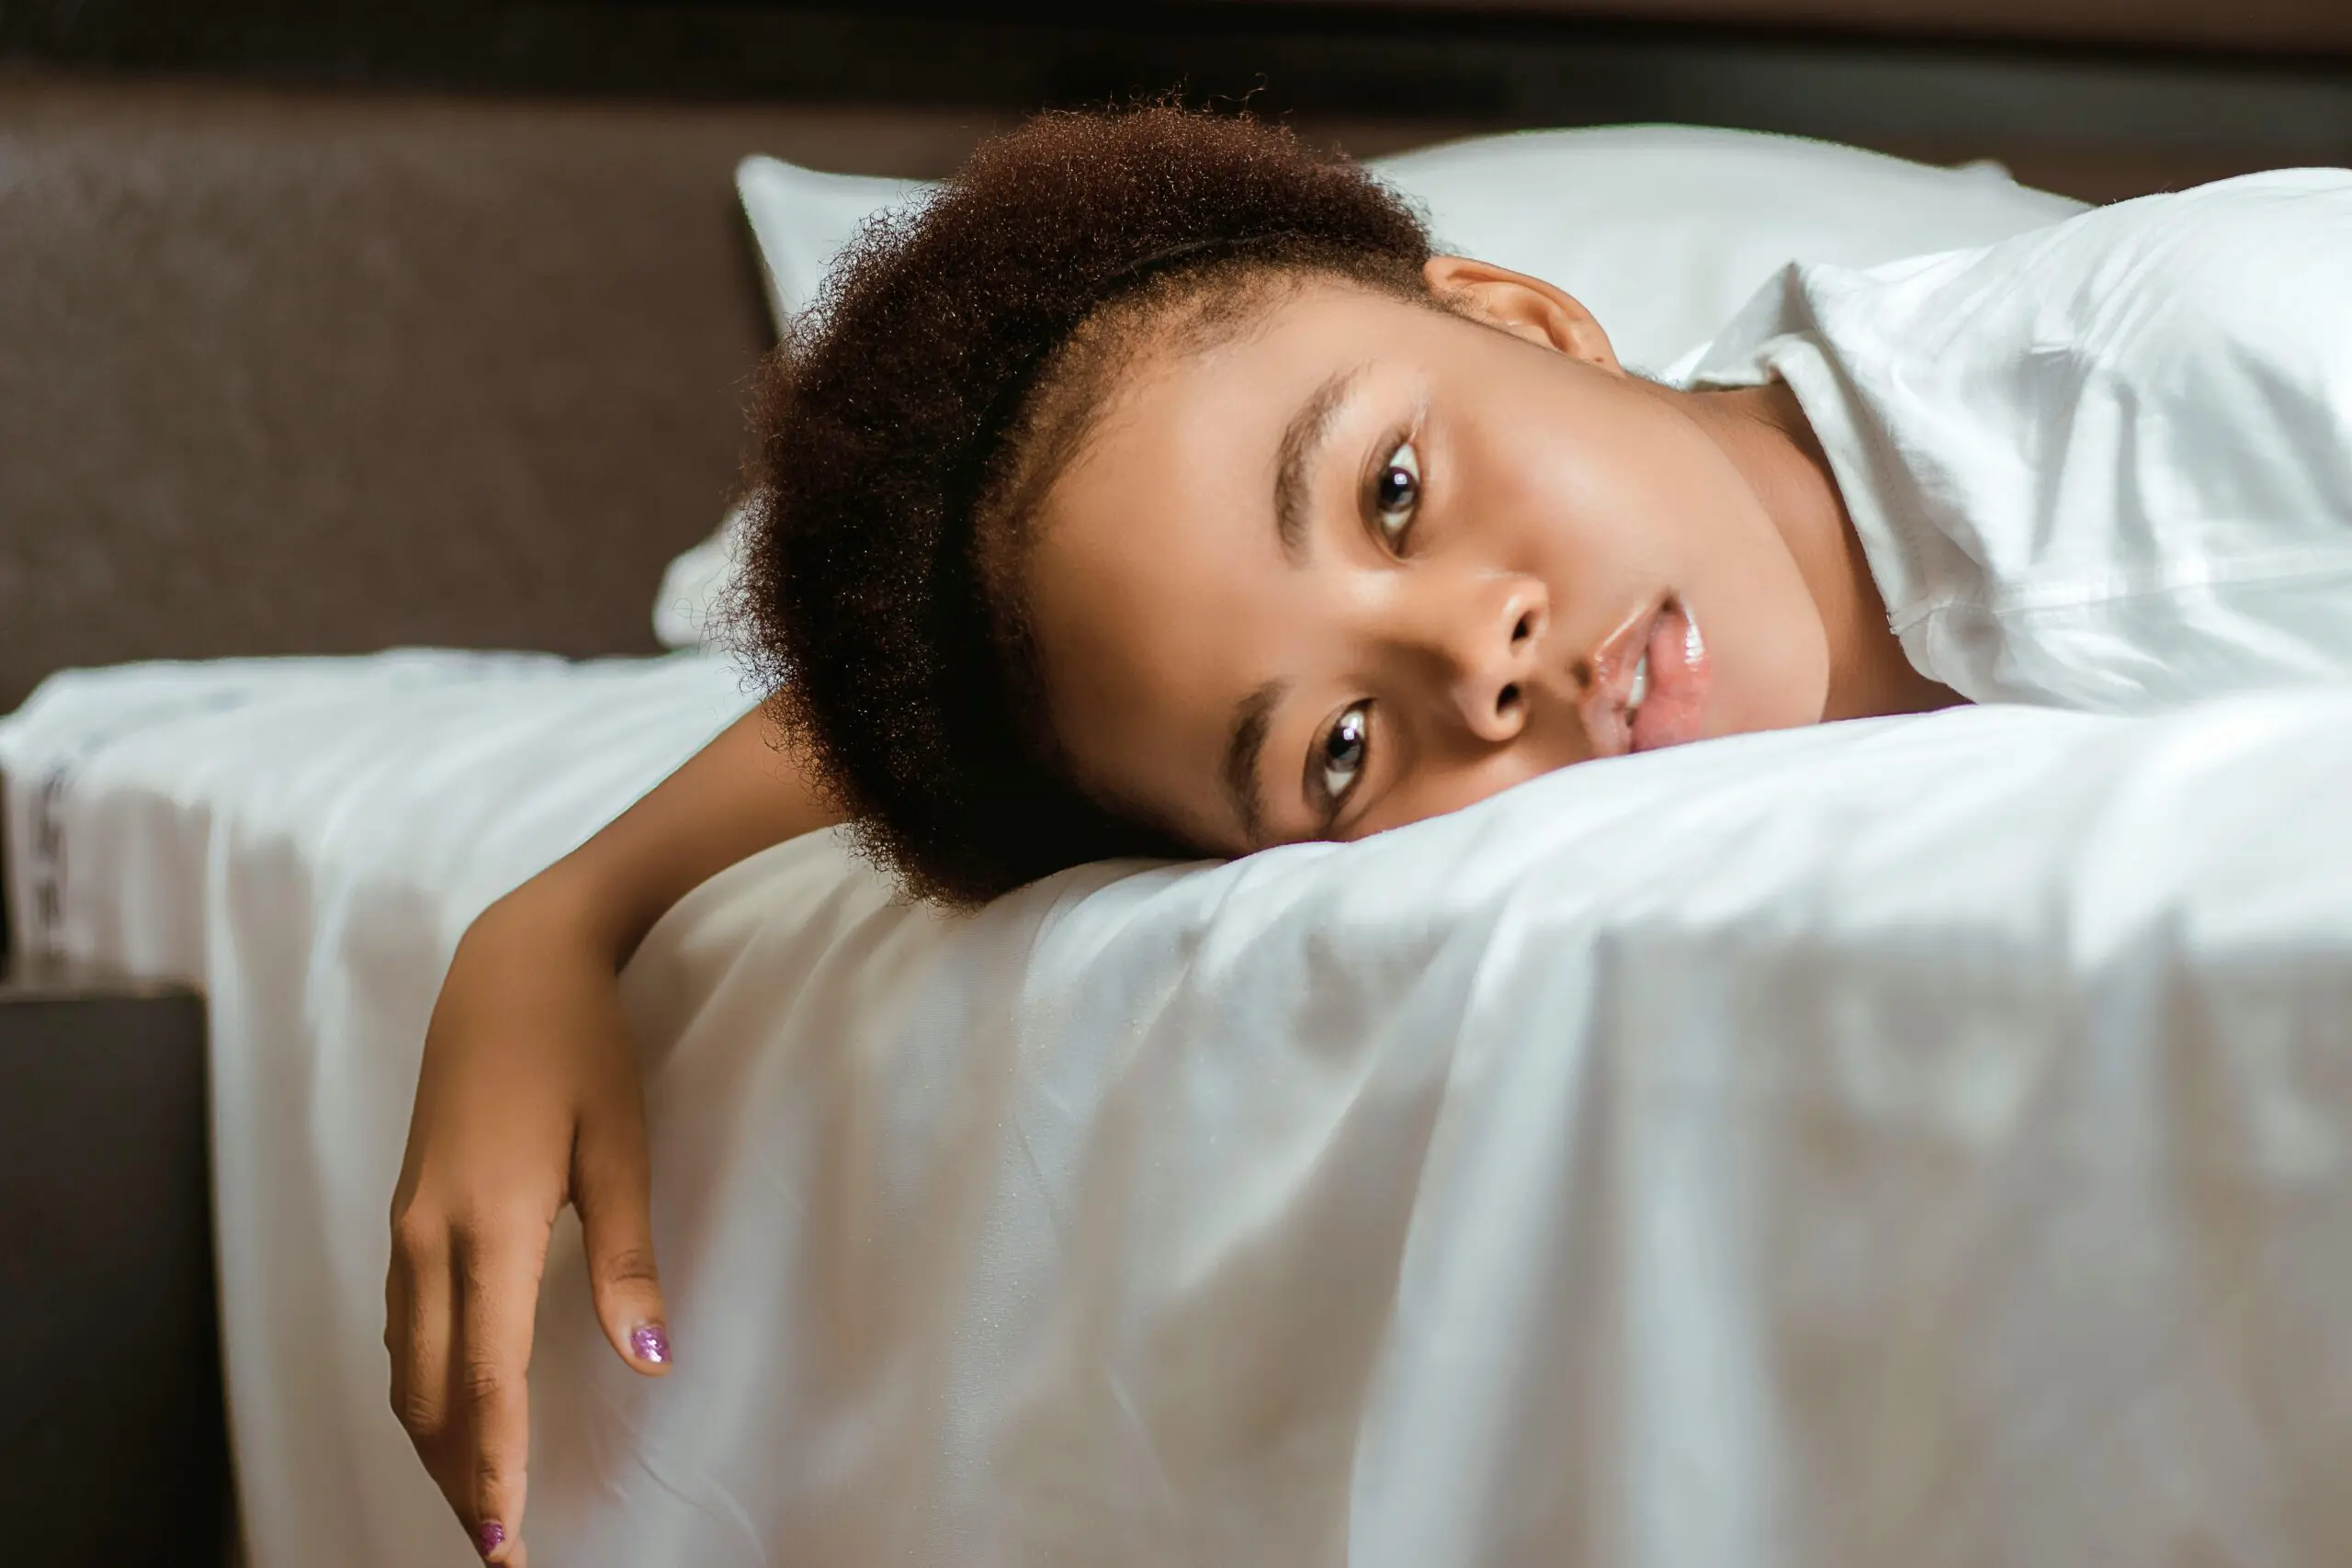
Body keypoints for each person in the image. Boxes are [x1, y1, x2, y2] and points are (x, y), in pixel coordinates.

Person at [387, 105, 2352, 1562]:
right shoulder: (1745, 469)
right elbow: (1036, 678)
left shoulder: (2182, 413)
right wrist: (561, 911)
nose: (1471, 658)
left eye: (1396, 489)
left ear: (1526, 312)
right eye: (1336, 755)